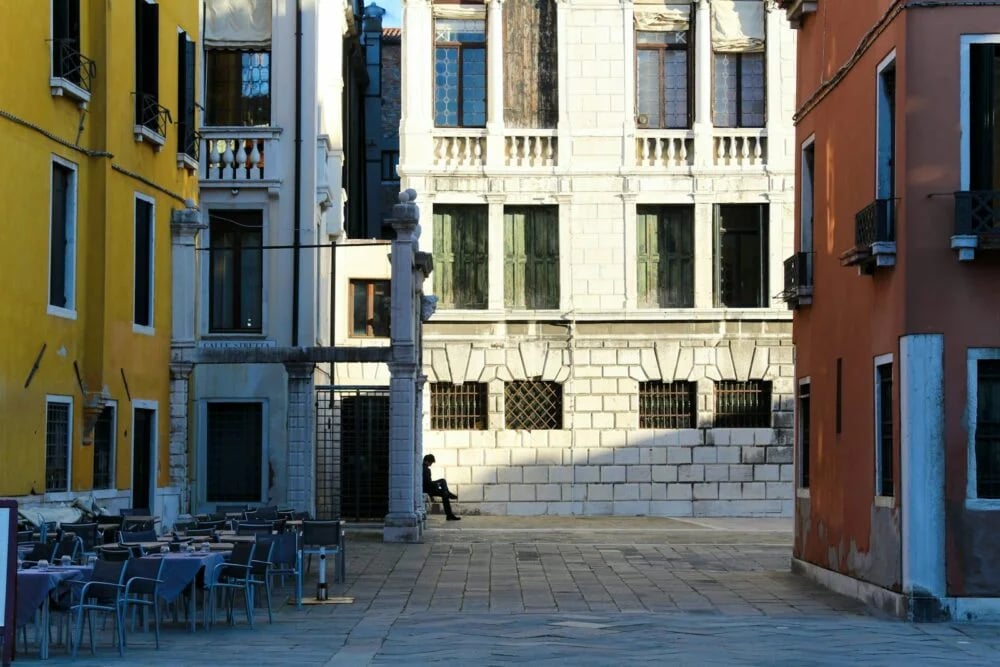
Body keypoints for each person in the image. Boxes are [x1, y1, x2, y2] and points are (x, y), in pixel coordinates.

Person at [422, 454, 460, 520]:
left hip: (427, 488)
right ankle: (449, 513)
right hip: (428, 489)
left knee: (444, 494)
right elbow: (427, 483)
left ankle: (449, 514)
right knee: (442, 481)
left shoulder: (422, 468)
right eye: (430, 462)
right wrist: (436, 485)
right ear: (426, 461)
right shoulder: (426, 469)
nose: (431, 464)